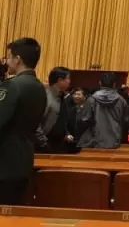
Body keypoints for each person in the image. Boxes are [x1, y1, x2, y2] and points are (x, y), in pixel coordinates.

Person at [0, 38, 47, 205]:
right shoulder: (39, 87)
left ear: (17, 59)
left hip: (4, 161)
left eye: (9, 57)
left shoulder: (12, 86)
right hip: (24, 158)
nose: (7, 61)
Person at [77, 72, 129, 148]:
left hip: (95, 139)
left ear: (100, 83)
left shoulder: (92, 99)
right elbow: (127, 120)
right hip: (115, 139)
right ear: (114, 84)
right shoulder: (121, 100)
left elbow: (84, 119)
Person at [37, 66, 74, 153]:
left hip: (59, 144)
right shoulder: (45, 96)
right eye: (68, 78)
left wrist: (66, 134)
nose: (69, 81)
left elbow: (61, 118)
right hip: (44, 145)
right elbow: (36, 123)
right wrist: (43, 142)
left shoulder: (62, 96)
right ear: (60, 80)